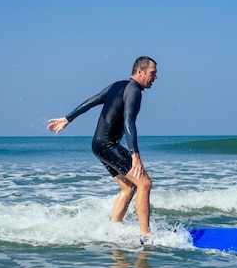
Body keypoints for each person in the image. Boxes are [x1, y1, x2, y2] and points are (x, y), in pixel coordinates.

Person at [47, 56, 157, 243]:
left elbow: (92, 100)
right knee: (144, 183)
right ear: (140, 71)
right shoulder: (134, 91)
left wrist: (68, 118)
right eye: (152, 73)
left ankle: (111, 232)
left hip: (98, 145)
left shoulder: (118, 85)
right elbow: (129, 121)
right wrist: (135, 154)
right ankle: (146, 235)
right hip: (108, 145)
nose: (155, 78)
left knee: (128, 188)